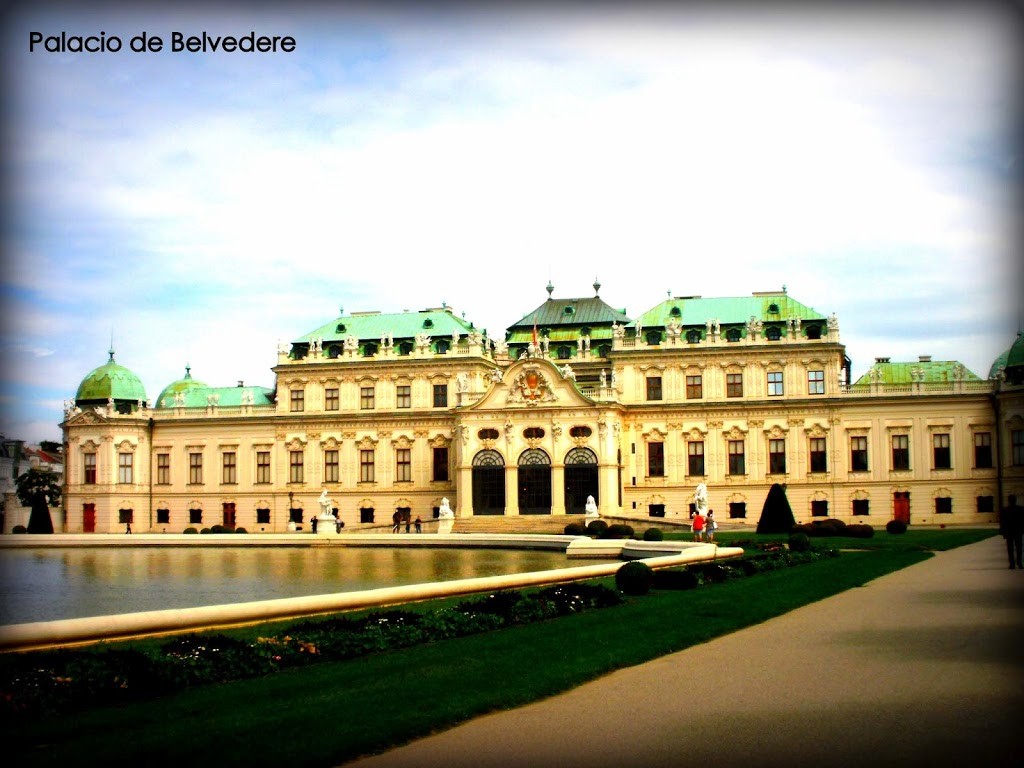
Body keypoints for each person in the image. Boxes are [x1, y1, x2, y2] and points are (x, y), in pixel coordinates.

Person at [999, 495, 1024, 569]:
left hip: (1011, 531)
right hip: (1016, 531)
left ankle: (1013, 563)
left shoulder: (1005, 510)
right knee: (1018, 548)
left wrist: (1003, 531)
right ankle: (1018, 563)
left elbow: (1002, 522)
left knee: (1011, 548)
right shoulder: (1021, 509)